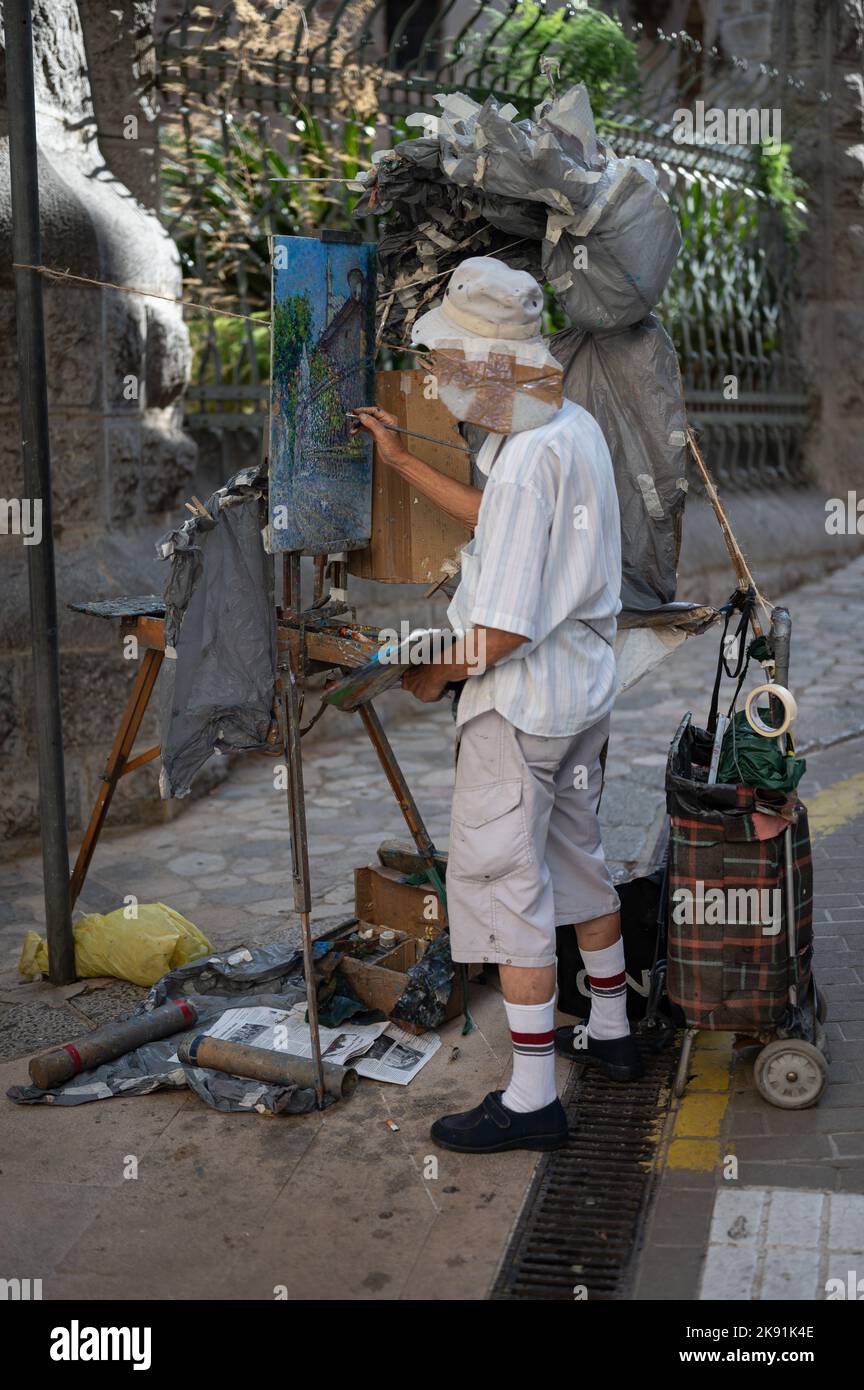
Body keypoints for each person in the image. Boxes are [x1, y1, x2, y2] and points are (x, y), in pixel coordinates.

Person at [353, 257, 642, 1157]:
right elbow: (502, 519)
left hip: (518, 708)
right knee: (577, 859)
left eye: (445, 368)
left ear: (489, 366)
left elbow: (502, 633)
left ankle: (530, 1099)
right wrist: (402, 462)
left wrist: (435, 675)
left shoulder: (527, 461)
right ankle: (613, 1030)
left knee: (509, 894)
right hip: (579, 701)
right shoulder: (572, 431)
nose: (438, 386)